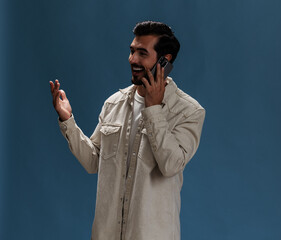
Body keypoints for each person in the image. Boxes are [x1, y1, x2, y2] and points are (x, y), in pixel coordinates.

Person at [49, 21, 205, 240]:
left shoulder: (189, 111)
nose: (133, 60)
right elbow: (93, 162)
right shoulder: (113, 104)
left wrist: (153, 109)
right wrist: (68, 121)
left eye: (142, 53)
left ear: (164, 61)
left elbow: (171, 165)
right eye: (132, 51)